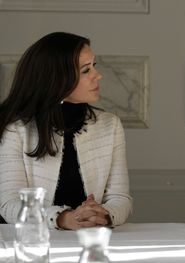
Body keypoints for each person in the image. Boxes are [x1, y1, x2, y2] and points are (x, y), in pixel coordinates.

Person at [0, 32, 132, 229]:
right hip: (32, 242)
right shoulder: (16, 129)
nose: (98, 75)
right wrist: (63, 218)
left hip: (92, 237)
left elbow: (120, 198)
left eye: (93, 66)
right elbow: (9, 205)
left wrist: (104, 215)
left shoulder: (110, 125)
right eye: (86, 70)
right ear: (57, 79)